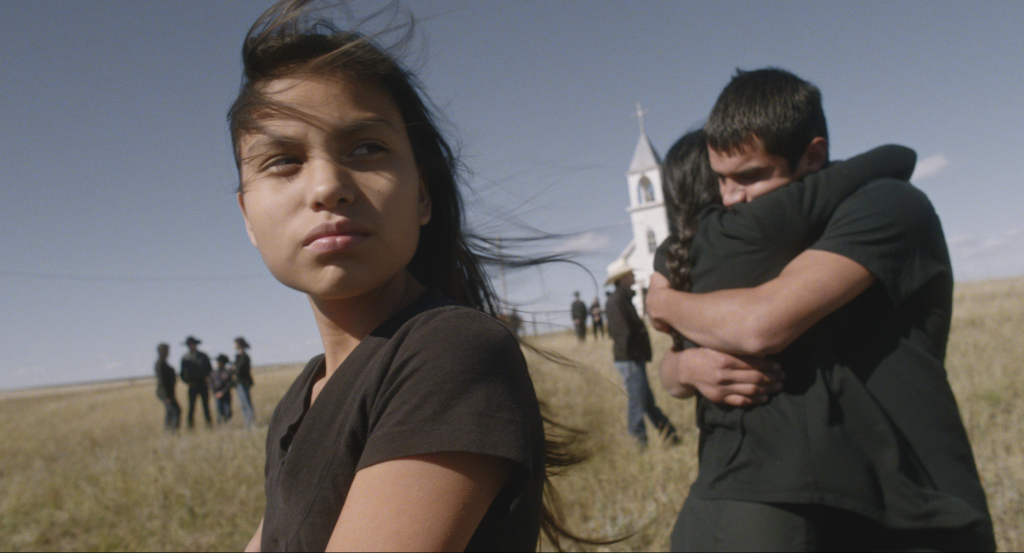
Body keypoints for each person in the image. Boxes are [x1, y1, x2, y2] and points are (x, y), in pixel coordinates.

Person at [229, 2, 582, 550]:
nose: (327, 186)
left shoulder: (450, 351)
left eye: (366, 149)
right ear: (248, 216)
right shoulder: (304, 396)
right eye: (283, 160)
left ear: (421, 194)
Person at [647, 69, 994, 551]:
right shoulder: (749, 235)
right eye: (719, 179)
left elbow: (760, 324)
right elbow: (680, 362)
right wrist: (681, 367)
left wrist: (662, 300)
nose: (730, 198)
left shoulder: (888, 204)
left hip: (915, 507)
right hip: (814, 506)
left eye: (748, 177)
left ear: (813, 154)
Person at [604, 259, 678, 449]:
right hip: (629, 359)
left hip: (633, 358)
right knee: (639, 401)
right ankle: (640, 441)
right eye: (630, 274)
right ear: (622, 279)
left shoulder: (622, 298)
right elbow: (622, 334)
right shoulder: (616, 301)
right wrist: (635, 354)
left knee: (646, 400)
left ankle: (669, 434)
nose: (634, 276)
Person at [180, 335, 213, 429]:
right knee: (191, 407)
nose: (191, 346)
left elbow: (210, 370)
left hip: (203, 384)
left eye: (193, 344)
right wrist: (187, 382)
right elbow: (182, 373)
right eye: (189, 344)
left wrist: (208, 379)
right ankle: (190, 427)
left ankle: (209, 426)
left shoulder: (203, 356)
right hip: (193, 385)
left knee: (206, 407)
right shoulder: (185, 358)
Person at [154, 343, 180, 432]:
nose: (168, 353)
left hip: (169, 393)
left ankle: (168, 432)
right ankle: (173, 432)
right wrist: (166, 396)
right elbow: (162, 381)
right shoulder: (160, 364)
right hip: (165, 394)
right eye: (166, 351)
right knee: (176, 411)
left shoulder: (163, 362)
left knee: (170, 412)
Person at [233, 336, 256, 427]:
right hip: (240, 383)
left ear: (239, 344)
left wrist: (234, 368)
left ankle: (251, 423)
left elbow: (238, 370)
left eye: (235, 343)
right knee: (243, 404)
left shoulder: (244, 356)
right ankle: (247, 423)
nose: (233, 345)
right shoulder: (239, 356)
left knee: (246, 403)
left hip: (244, 382)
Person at [211, 353, 234, 424]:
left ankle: (228, 423)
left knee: (227, 410)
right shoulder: (213, 372)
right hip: (217, 395)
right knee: (219, 411)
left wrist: (222, 392)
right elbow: (211, 384)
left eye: (219, 362)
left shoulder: (227, 372)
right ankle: (220, 424)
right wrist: (215, 393)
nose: (217, 363)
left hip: (226, 394)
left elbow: (229, 384)